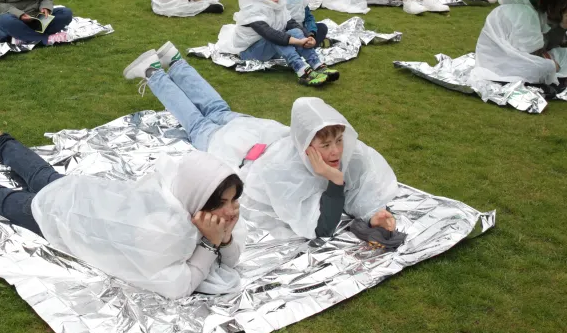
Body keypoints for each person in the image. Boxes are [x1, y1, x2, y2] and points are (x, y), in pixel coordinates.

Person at [0, 123, 244, 299]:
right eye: (222, 203)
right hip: (65, 219)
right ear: (198, 199)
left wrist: (222, 241)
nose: (231, 212)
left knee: (45, 178)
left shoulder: (182, 201)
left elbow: (230, 257)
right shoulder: (164, 231)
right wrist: (211, 245)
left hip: (83, 196)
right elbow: (177, 285)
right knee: (0, 200)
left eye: (234, 201)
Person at [124, 50, 396, 239]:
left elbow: (363, 184)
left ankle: (175, 61)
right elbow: (319, 226)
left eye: (338, 141)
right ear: (304, 141)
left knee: (217, 110)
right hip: (237, 147)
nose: (336, 151)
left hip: (254, 132)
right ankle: (154, 71)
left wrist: (374, 214)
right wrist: (335, 182)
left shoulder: (349, 150)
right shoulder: (283, 169)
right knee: (198, 123)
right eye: (325, 146)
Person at [213, 0, 335, 86]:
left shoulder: (276, 4)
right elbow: (269, 34)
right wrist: (298, 42)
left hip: (267, 47)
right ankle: (302, 71)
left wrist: (308, 37)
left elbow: (290, 23)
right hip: (249, 52)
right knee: (278, 37)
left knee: (296, 31)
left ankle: (317, 65)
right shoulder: (252, 10)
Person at [475, 0, 567, 89]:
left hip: (504, 57)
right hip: (501, 63)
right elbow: (536, 52)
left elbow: (543, 44)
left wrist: (562, 26)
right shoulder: (526, 14)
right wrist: (551, 64)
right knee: (551, 66)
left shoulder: (531, 10)